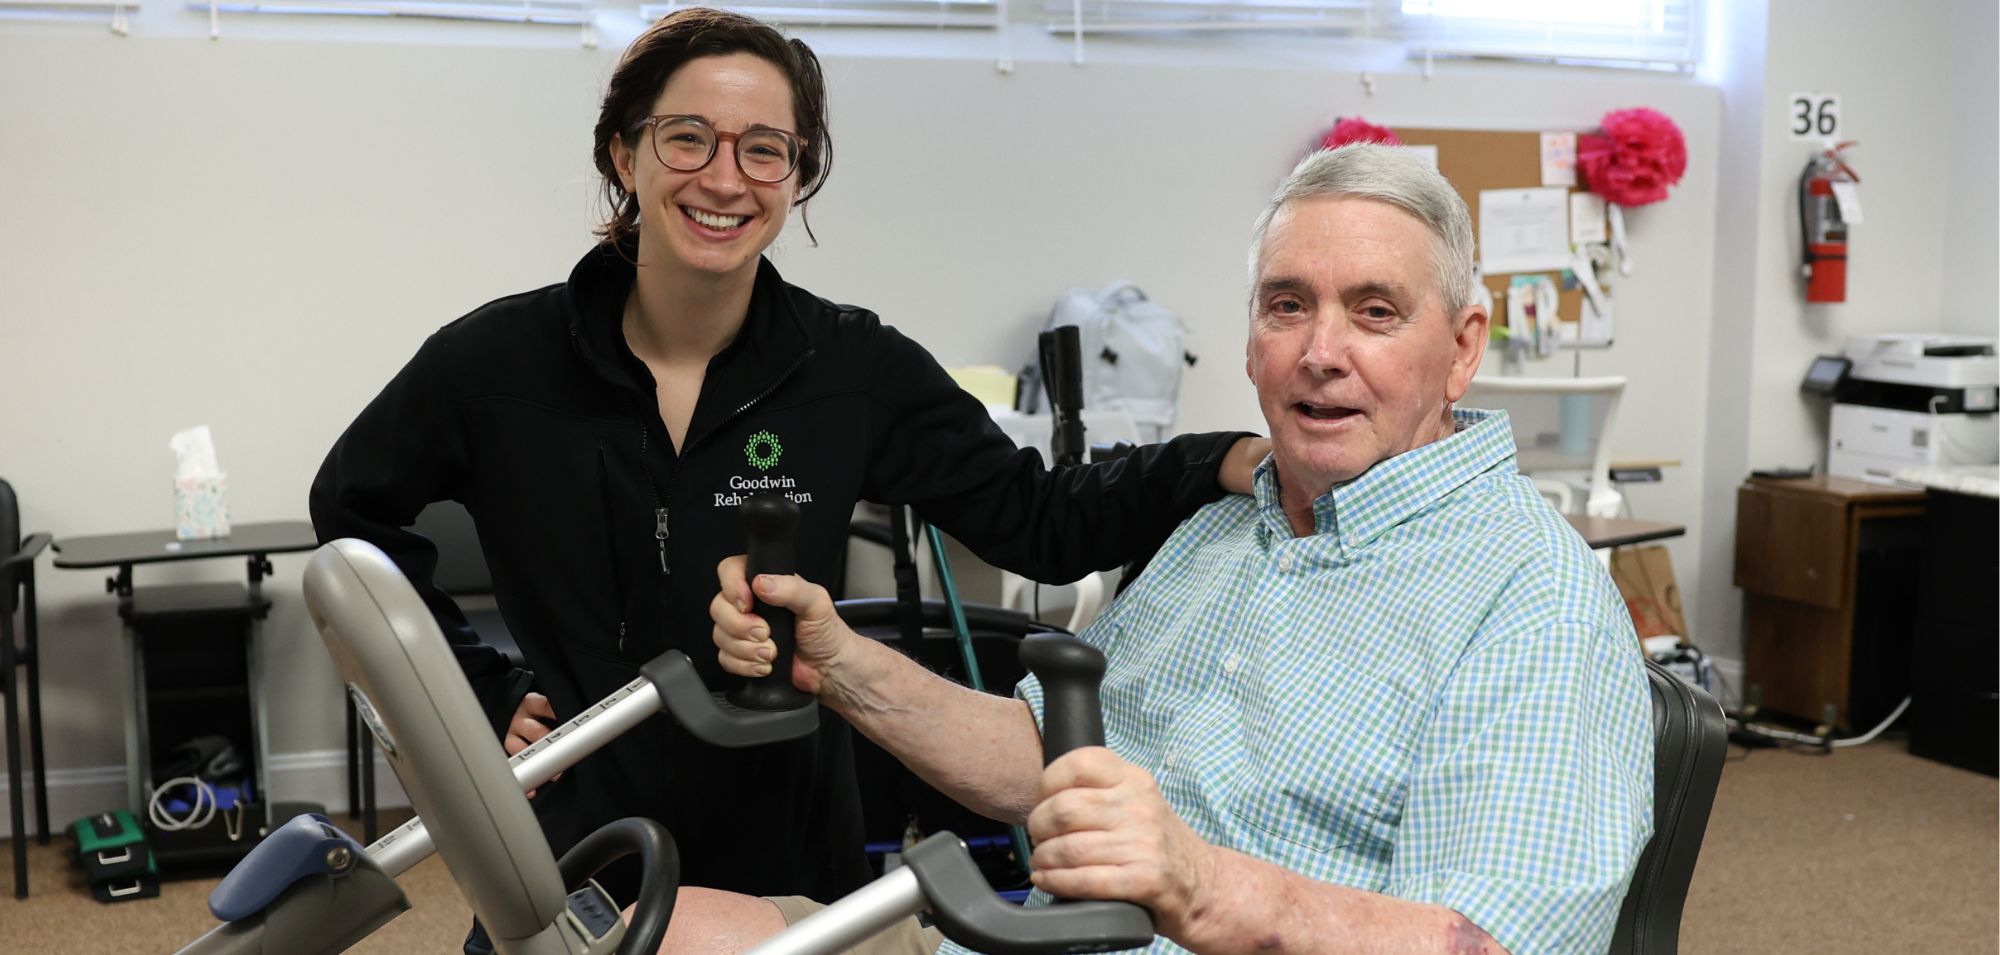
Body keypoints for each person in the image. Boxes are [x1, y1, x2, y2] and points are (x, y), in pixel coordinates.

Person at [307, 8, 1268, 951]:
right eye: (688, 138)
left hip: (790, 852)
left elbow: (1037, 518)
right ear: (622, 154)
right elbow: (351, 509)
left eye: (766, 149)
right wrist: (480, 689)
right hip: (577, 839)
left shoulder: (850, 368)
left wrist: (1212, 458)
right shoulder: (497, 365)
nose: (725, 178)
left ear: (798, 176)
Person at [691, 143, 1656, 954]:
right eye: (1287, 306)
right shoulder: (1226, 527)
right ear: (1248, 341)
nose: (1321, 351)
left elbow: (1494, 941)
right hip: (1020, 936)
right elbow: (1046, 759)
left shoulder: (1535, 600)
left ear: (1462, 347)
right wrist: (842, 664)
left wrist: (1200, 886)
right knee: (655, 927)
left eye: (1374, 311)